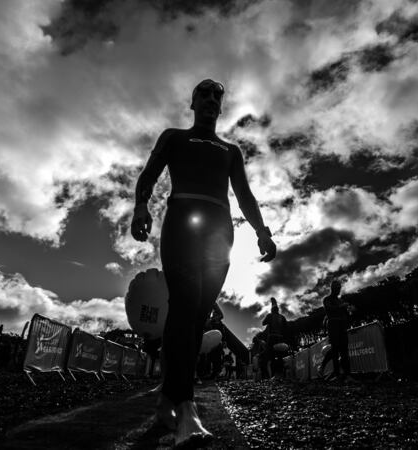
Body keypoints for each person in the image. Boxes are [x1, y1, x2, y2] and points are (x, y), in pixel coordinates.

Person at [131, 78, 277, 447]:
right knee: (184, 305)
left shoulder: (230, 150)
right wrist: (140, 205)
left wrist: (262, 232)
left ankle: (166, 403)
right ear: (193, 102)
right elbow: (149, 175)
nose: (212, 98)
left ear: (221, 106)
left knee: (196, 318)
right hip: (182, 223)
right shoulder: (174, 137)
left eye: (218, 95)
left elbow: (244, 195)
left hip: (219, 234)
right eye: (205, 93)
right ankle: (187, 410)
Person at [322, 280, 351, 381]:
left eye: (339, 288)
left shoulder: (340, 301)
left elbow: (345, 314)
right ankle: (337, 374)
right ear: (332, 288)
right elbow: (329, 309)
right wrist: (341, 307)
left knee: (344, 351)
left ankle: (347, 374)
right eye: (337, 288)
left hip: (342, 326)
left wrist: (349, 310)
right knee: (335, 351)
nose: (339, 290)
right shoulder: (326, 299)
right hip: (333, 326)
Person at [262, 297, 287, 377]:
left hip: (272, 338)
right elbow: (286, 328)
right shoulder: (282, 317)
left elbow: (263, 323)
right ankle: (281, 374)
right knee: (280, 356)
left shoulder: (270, 316)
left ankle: (273, 375)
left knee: (271, 357)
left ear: (272, 309)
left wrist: (268, 317)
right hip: (280, 338)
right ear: (278, 309)